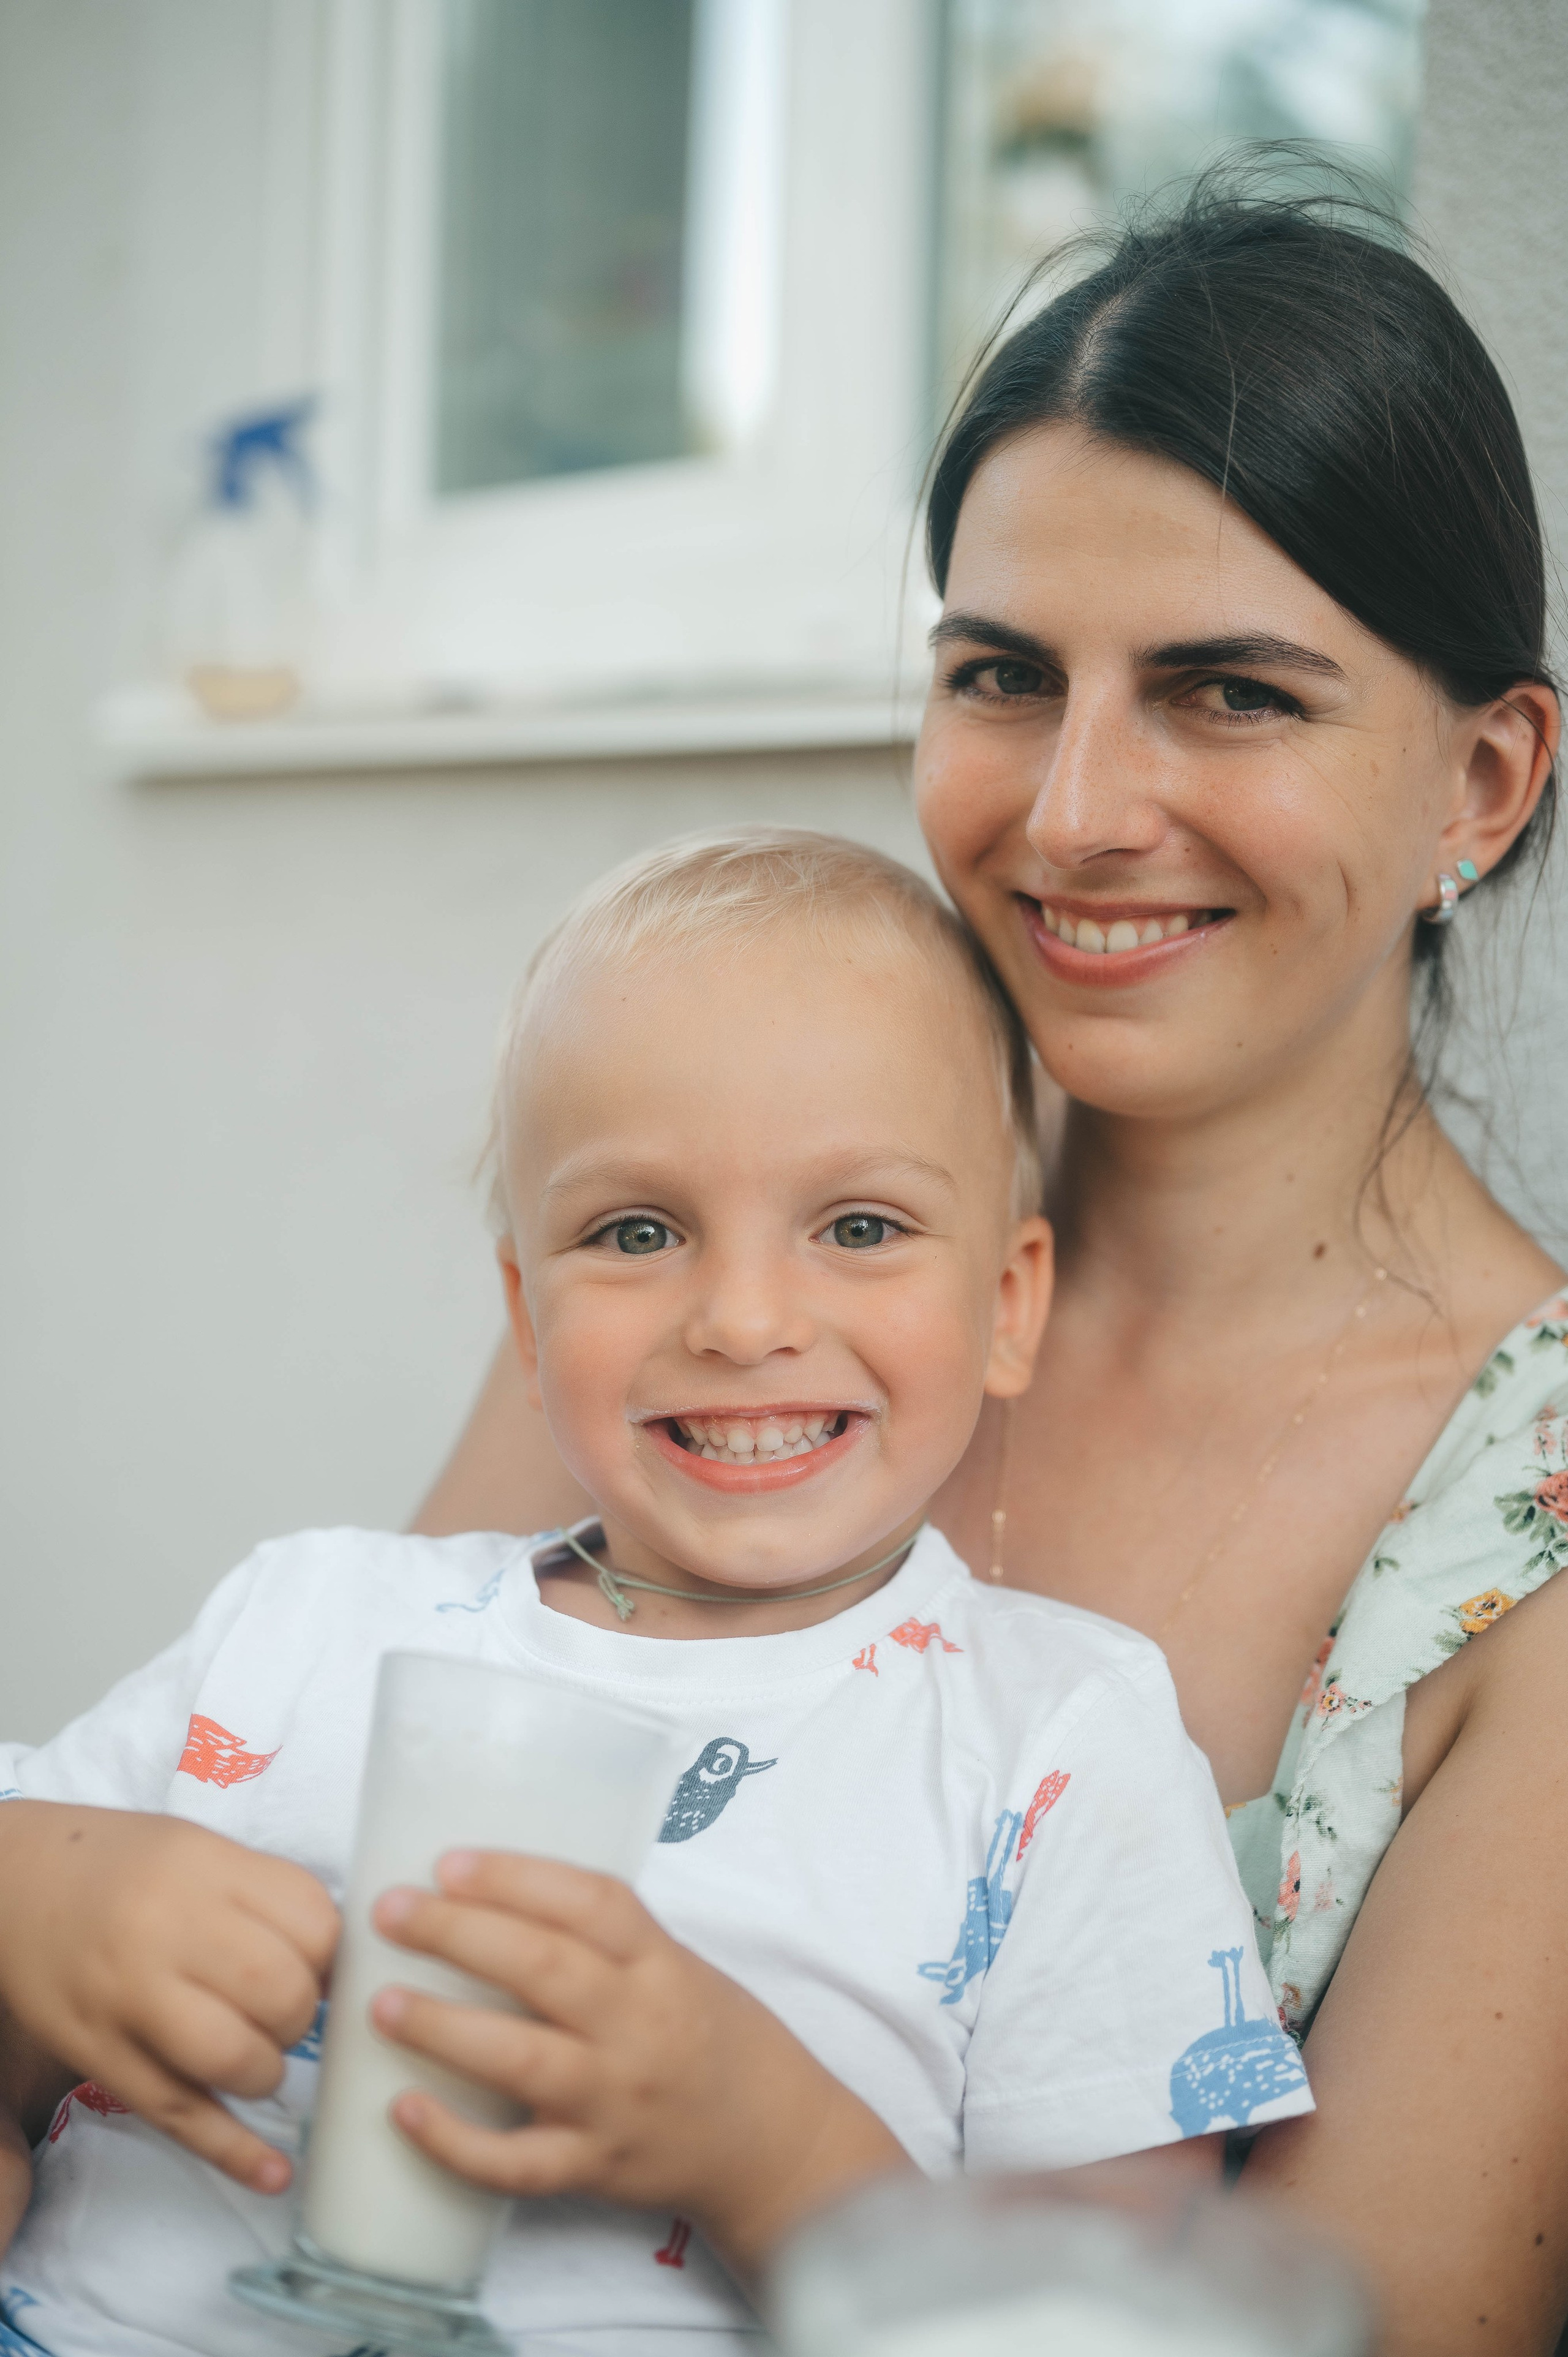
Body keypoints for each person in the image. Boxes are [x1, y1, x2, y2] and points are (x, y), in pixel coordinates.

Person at [413, 183, 1568, 2356]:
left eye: (1229, 691)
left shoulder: (1532, 1536)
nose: (1077, 806)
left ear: (1482, 779)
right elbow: (332, 1844)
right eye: (1003, 676)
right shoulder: (735, 1249)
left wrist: (763, 2140)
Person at [0, 833, 1309, 2357]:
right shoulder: (303, 1622)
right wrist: (37, 1901)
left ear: (1005, 1302)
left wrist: (757, 2135)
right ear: (526, 1315)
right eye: (636, 1232)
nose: (744, 1319)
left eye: (859, 1227)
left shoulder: (1055, 1742)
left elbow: (1107, 2326)